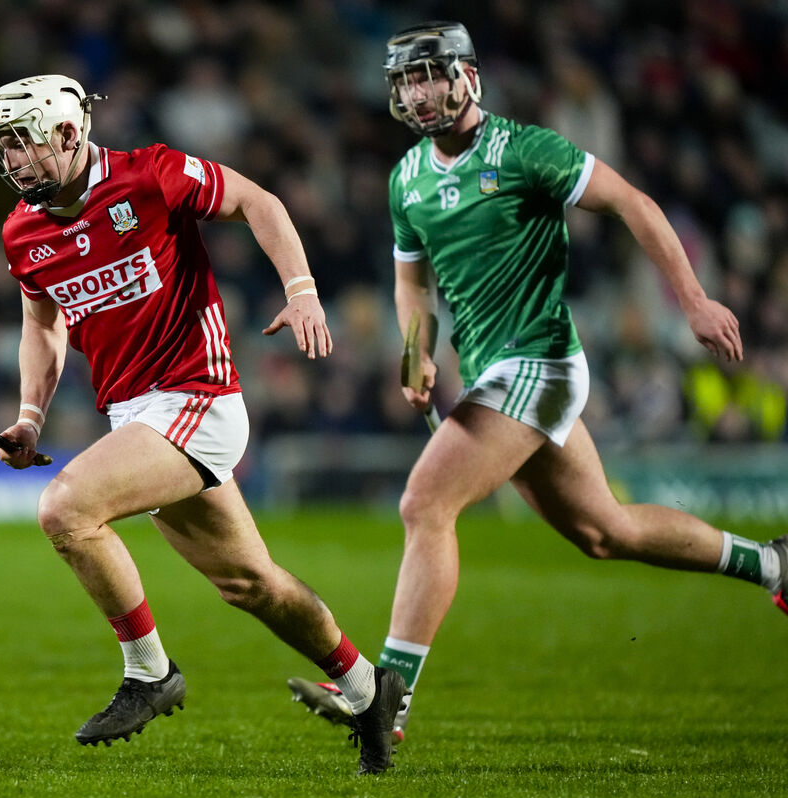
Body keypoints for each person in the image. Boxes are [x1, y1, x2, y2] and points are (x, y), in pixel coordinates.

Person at [287, 21, 787, 747]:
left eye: (433, 75)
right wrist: (414, 353)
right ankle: (773, 563)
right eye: (407, 81)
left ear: (470, 77)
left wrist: (694, 301)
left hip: (541, 360)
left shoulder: (526, 149)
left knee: (425, 503)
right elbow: (413, 286)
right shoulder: (407, 178)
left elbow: (633, 204)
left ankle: (385, 696)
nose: (421, 93)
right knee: (604, 532)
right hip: (494, 372)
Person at [0, 74, 405, 774]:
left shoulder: (152, 175)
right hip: (134, 417)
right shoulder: (22, 229)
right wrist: (29, 416)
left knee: (67, 511)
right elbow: (41, 324)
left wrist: (302, 293)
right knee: (251, 584)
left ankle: (149, 672)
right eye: (3, 148)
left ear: (69, 133)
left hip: (197, 398)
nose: (13, 162)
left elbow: (258, 202)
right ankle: (367, 688)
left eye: (23, 143)